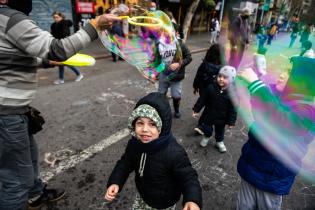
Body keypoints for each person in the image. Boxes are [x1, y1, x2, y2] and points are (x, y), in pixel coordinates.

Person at [0, 0, 120, 209]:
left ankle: (35, 195)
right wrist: (95, 26)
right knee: (17, 181)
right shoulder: (11, 18)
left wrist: (45, 61)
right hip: (7, 114)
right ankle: (26, 195)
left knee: (29, 157)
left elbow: (11, 56)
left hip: (13, 111)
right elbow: (57, 49)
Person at [236, 57, 315, 210]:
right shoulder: (279, 97)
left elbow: (279, 120)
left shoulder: (308, 112)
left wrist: (256, 84)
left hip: (271, 181)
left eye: (290, 73)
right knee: (243, 206)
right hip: (251, 169)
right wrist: (258, 75)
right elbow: (264, 98)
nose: (282, 75)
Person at [104, 92, 202, 210]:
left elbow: (188, 177)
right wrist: (116, 181)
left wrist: (192, 199)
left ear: (162, 127)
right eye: (140, 123)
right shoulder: (135, 144)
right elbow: (125, 163)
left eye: (152, 124)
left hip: (165, 202)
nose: (145, 129)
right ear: (133, 124)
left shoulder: (174, 152)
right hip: (143, 195)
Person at [192, 66, 237, 152]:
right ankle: (207, 136)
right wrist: (196, 109)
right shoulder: (211, 87)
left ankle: (219, 141)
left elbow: (233, 109)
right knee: (207, 128)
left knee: (220, 131)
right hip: (209, 114)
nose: (221, 79)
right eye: (219, 76)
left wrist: (231, 121)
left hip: (222, 117)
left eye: (225, 77)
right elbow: (202, 99)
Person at [157, 24, 190, 118]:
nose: (168, 33)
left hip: (176, 76)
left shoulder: (180, 45)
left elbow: (189, 57)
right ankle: (162, 110)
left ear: (176, 33)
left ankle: (176, 110)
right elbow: (158, 61)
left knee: (176, 96)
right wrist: (155, 73)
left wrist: (179, 64)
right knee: (161, 94)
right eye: (165, 30)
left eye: (171, 30)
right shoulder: (160, 45)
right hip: (164, 75)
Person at [192, 43, 225, 135]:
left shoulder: (204, 65)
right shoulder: (223, 68)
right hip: (215, 91)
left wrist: (195, 87)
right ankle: (202, 125)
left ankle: (201, 124)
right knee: (209, 107)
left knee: (204, 103)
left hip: (203, 88)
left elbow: (198, 76)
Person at [51, 11, 84, 84]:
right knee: (61, 62)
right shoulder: (53, 25)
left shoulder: (64, 24)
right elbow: (53, 36)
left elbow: (65, 34)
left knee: (65, 62)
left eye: (57, 17)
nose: (55, 19)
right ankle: (61, 79)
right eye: (54, 17)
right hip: (57, 45)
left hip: (65, 45)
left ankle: (79, 74)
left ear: (61, 17)